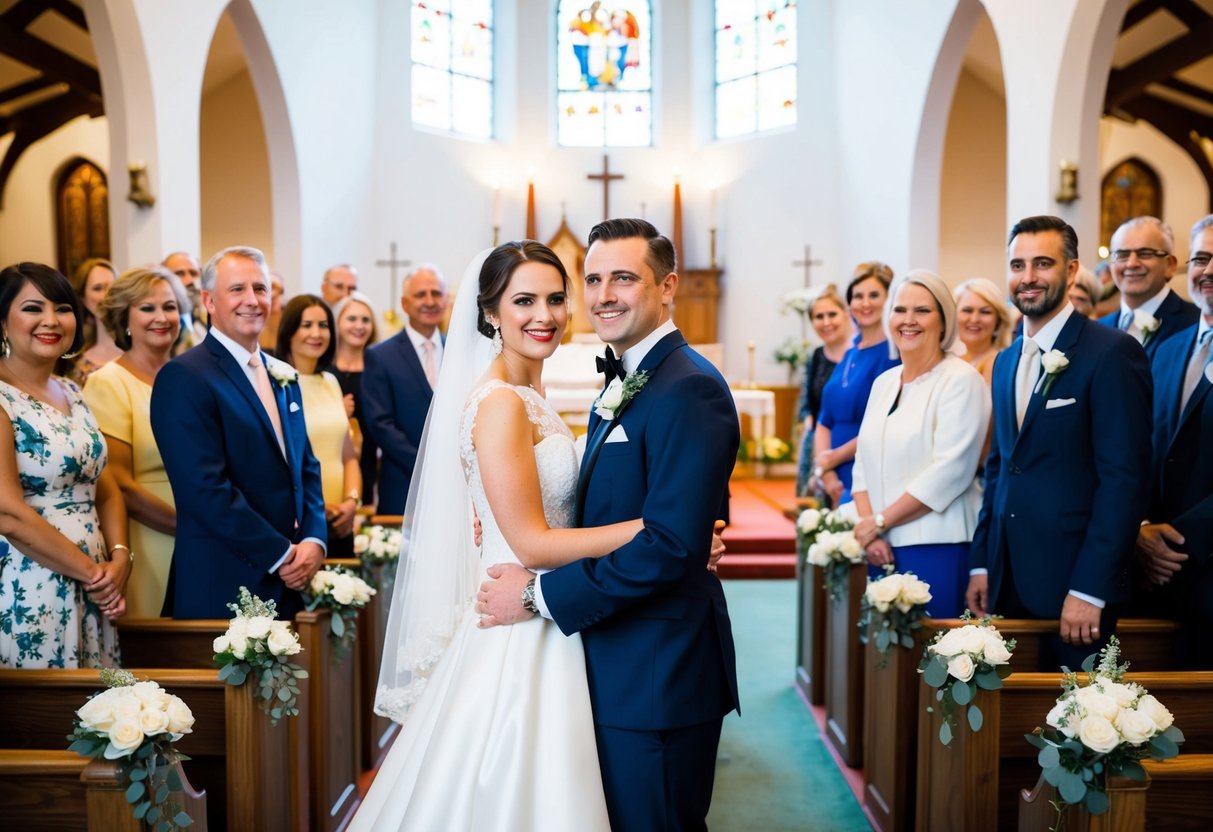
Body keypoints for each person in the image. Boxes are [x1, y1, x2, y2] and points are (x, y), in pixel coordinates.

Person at [354, 241, 646, 830]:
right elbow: (534, 544)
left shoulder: (529, 395)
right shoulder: (501, 404)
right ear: (490, 313)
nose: (545, 315)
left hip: (547, 604)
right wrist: (649, 530)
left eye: (556, 299)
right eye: (524, 301)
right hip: (521, 616)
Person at [478, 219, 740, 830]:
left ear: (668, 286)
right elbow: (626, 515)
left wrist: (539, 595)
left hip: (658, 673)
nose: (603, 295)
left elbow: (671, 544)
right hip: (608, 657)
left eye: (623, 277)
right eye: (592, 279)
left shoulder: (689, 386)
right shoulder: (625, 378)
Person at [966, 216, 1152, 671]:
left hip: (1076, 586)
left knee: (1072, 727)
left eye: (1042, 263)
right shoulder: (1006, 360)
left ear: (1071, 271)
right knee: (1006, 726)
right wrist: (983, 564)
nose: (1027, 277)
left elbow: (1123, 482)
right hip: (1007, 578)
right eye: (1017, 264)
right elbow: (999, 467)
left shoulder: (1111, 352)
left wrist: (1091, 588)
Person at [150, 246, 326, 619]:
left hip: (290, 580)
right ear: (209, 301)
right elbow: (204, 489)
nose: (252, 300)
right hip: (226, 579)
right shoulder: (185, 377)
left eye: (260, 289)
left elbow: (306, 467)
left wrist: (313, 539)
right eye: (237, 290)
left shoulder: (283, 375)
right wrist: (280, 553)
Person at [0, 262, 129, 668]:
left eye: (63, 307)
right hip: (31, 583)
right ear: (2, 321)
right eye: (33, 309)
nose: (51, 321)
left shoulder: (72, 390)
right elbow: (7, 513)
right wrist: (94, 574)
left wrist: (122, 556)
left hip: (94, 584)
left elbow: (103, 485)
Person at [851, 272, 991, 617]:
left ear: (943, 321)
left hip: (937, 544)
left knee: (930, 662)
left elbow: (951, 470)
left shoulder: (961, 380)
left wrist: (881, 521)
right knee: (888, 664)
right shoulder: (884, 382)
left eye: (922, 311)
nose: (908, 320)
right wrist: (871, 529)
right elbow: (861, 463)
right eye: (900, 310)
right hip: (880, 547)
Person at [1134, 215, 1213, 667]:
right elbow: (1144, 446)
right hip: (1153, 574)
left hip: (1201, 561)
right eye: (1201, 257)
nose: (1208, 269)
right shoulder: (1168, 347)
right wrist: (1141, 528)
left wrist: (1178, 543)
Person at [84, 267, 185, 618]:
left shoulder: (191, 379)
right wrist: (188, 526)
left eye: (170, 307)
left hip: (203, 536)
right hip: (148, 538)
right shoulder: (108, 383)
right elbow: (118, 484)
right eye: (147, 308)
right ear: (123, 318)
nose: (162, 317)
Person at [276, 294, 361, 559]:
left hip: (340, 520)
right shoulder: (277, 384)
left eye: (323, 325)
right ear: (289, 331)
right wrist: (317, 509)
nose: (317, 333)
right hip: (299, 518)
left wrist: (351, 502)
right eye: (306, 325)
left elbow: (347, 456)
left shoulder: (331, 382)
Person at [362, 265, 449, 515]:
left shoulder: (458, 350)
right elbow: (381, 424)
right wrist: (426, 466)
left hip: (455, 483)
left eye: (436, 293)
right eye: (421, 295)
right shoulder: (381, 356)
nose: (430, 301)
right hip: (404, 481)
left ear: (446, 300)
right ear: (405, 303)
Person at [814, 262, 899, 506]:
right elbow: (824, 419)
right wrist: (827, 472)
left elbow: (885, 423)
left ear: (887, 300)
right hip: (833, 476)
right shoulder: (851, 352)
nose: (865, 303)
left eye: (874, 295)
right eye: (857, 296)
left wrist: (832, 459)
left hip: (865, 468)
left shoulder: (892, 355)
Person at [1098, 216, 1198, 359]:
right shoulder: (1098, 329)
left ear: (1170, 265)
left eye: (1145, 254)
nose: (1131, 264)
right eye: (1122, 255)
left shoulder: (1196, 322)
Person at [794, 284, 852, 497]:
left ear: (846, 314)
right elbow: (806, 403)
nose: (826, 322)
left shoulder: (859, 354)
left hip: (852, 446)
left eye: (832, 314)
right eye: (819, 317)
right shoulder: (816, 356)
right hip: (818, 448)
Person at [330, 292, 379, 508]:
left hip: (369, 464)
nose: (359, 326)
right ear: (337, 321)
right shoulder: (324, 370)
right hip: (330, 462)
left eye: (365, 320)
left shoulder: (378, 369)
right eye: (352, 319)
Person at [61, 258, 119, 385]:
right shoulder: (74, 360)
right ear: (83, 298)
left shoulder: (140, 348)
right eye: (98, 288)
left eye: (113, 286)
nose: (107, 295)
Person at [953, 277, 1013, 383]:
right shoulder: (942, 361)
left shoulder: (1004, 365)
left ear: (998, 320)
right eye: (967, 310)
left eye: (985, 312)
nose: (974, 319)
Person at [162, 251, 208, 346]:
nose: (190, 281)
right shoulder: (157, 323)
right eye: (179, 274)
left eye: (194, 273)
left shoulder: (206, 325)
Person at [259, 272, 286, 354]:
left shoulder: (292, 321)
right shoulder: (250, 322)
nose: (272, 294)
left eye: (276, 288)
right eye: (266, 288)